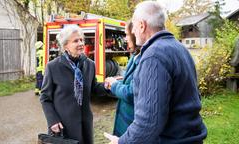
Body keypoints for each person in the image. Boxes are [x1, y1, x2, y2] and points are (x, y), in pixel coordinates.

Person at [104, 1, 207, 144]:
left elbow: (148, 122)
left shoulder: (153, 56)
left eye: (133, 27)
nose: (132, 32)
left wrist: (122, 142)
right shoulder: (180, 48)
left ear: (142, 25)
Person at [40, 25, 107, 144]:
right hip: (63, 125)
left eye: (81, 39)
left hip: (85, 123)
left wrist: (109, 85)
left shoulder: (89, 64)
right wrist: (52, 120)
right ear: (65, 45)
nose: (81, 43)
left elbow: (94, 88)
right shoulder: (53, 67)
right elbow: (45, 98)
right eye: (76, 40)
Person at [105, 20, 141, 137]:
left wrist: (114, 84)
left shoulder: (144, 60)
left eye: (126, 34)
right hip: (125, 125)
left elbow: (132, 93)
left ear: (135, 35)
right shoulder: (135, 56)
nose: (125, 39)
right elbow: (132, 82)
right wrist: (121, 80)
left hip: (132, 127)